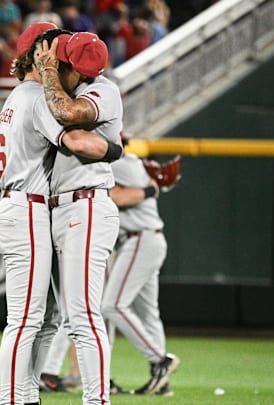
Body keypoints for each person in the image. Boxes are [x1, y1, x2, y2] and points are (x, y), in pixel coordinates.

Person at [0, 22, 124, 405]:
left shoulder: (87, 91)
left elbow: (69, 123)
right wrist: (116, 150)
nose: (59, 63)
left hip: (76, 204)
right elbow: (73, 138)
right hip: (33, 207)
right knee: (31, 320)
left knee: (65, 317)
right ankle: (17, 398)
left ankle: (60, 398)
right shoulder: (38, 95)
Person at [35, 30, 123, 405]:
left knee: (84, 316)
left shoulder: (104, 90)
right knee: (66, 318)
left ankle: (97, 400)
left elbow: (68, 114)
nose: (57, 68)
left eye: (64, 64)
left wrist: (47, 72)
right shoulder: (69, 87)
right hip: (61, 208)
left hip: (86, 206)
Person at [101, 133, 180, 396]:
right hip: (148, 240)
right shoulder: (133, 162)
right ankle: (162, 383)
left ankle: (160, 360)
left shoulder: (121, 164)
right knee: (148, 314)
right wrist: (153, 187)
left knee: (112, 305)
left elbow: (119, 198)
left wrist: (150, 189)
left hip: (139, 240)